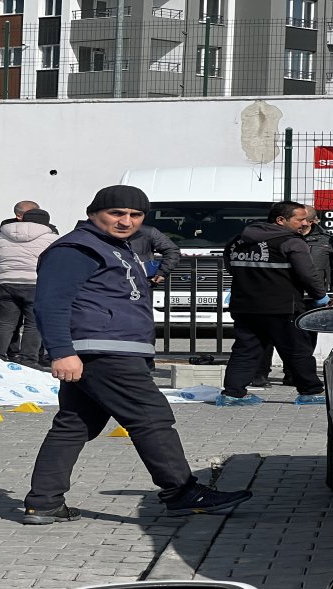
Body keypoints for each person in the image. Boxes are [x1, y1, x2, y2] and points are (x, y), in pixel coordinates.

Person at [23, 184, 251, 525]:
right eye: (116, 213)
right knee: (152, 418)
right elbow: (50, 303)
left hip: (112, 348)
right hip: (102, 350)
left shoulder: (115, 247)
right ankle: (182, 492)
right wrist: (61, 352)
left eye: (135, 214)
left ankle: (43, 502)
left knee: (74, 425)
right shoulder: (75, 249)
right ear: (93, 213)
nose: (126, 221)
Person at [217, 201, 328, 406]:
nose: (305, 223)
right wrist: (321, 296)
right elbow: (308, 274)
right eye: (300, 219)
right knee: (297, 349)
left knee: (245, 350)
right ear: (281, 220)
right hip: (283, 307)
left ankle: (233, 393)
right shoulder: (292, 242)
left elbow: (231, 268)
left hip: (245, 306)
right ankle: (311, 391)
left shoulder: (236, 241)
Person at [252, 205, 333, 386]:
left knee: (305, 336)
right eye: (299, 221)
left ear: (312, 222)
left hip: (312, 296)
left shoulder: (327, 240)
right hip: (282, 295)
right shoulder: (279, 238)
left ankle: (293, 374)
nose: (301, 225)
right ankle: (260, 373)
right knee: (270, 335)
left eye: (305, 222)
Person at [0, 208, 57, 367]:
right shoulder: (52, 238)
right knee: (33, 324)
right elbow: (60, 261)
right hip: (37, 284)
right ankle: (28, 360)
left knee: (6, 323)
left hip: (7, 283)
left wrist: (6, 269)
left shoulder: (0, 235)